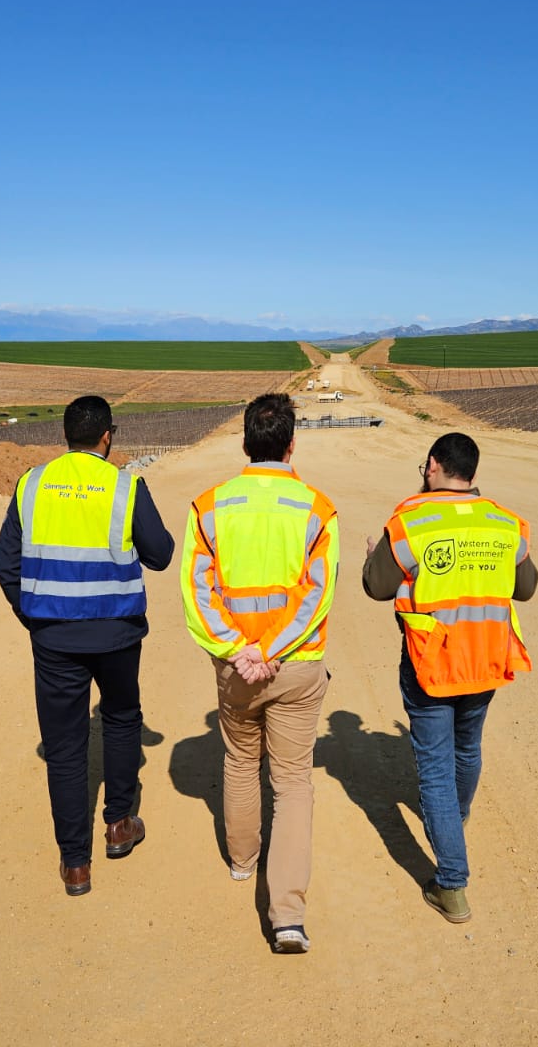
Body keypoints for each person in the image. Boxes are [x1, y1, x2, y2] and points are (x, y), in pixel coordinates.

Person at [0, 395, 174, 897]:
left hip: (53, 638)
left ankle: (76, 863)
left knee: (66, 748)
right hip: (116, 633)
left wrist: (31, 613)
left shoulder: (31, 484)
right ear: (108, 437)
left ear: (66, 435)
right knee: (119, 720)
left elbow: (6, 564)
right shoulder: (125, 485)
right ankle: (119, 824)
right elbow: (160, 554)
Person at [181, 392, 339, 954]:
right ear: (291, 443)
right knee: (294, 782)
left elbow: (196, 593)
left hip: (237, 668)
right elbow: (317, 595)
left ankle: (243, 863)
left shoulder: (209, 506)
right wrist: (271, 650)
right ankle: (288, 917)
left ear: (245, 442)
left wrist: (242, 650)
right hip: (295, 666)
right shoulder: (317, 509)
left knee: (241, 760)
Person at [362, 432, 537, 924]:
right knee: (468, 746)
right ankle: (454, 822)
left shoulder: (412, 520)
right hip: (485, 658)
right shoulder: (506, 523)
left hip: (432, 663)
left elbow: (377, 586)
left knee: (436, 770)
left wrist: (373, 553)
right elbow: (526, 588)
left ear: (432, 466)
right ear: (474, 475)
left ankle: (452, 884)